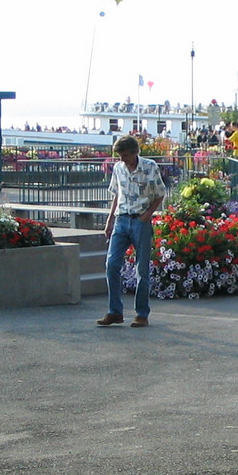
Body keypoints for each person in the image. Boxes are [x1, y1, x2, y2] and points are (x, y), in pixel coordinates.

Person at [97, 135, 167, 329]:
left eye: (125, 155)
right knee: (112, 264)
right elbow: (117, 194)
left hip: (140, 221)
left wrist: (147, 215)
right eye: (120, 155)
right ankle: (115, 311)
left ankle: (142, 314)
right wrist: (110, 220)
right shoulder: (118, 168)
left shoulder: (150, 167)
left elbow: (160, 193)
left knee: (141, 269)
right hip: (121, 219)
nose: (122, 159)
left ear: (135, 152)